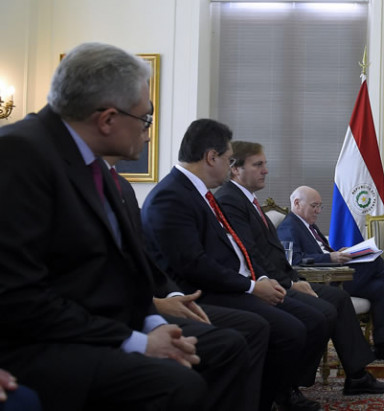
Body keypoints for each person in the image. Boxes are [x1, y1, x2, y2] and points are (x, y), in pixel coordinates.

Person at [0, 42, 229, 411]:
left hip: (90, 327)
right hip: (34, 343)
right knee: (175, 386)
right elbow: (20, 298)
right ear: (107, 119)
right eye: (145, 119)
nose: (148, 131)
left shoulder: (93, 163)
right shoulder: (20, 155)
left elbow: (123, 271)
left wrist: (153, 324)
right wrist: (136, 341)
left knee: (219, 349)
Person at [141, 119, 322, 411]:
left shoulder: (198, 193)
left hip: (230, 284)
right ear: (211, 157)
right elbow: (192, 264)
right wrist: (251, 286)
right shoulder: (171, 196)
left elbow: (231, 250)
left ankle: (267, 397)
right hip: (201, 293)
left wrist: (257, 281)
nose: (229, 167)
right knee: (287, 330)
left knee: (299, 323)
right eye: (228, 160)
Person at [214, 141, 384, 395]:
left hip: (284, 278)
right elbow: (250, 254)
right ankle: (290, 386)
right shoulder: (230, 200)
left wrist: (295, 279)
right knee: (323, 312)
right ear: (235, 169)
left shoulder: (248, 200)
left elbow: (277, 255)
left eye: (265, 164)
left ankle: (355, 376)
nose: (266, 170)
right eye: (258, 165)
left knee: (340, 299)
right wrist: (290, 283)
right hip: (264, 284)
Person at [106, 155, 271, 411]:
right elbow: (191, 263)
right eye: (144, 121)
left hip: (160, 301)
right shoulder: (170, 195)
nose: (148, 137)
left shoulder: (122, 185)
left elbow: (143, 259)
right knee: (244, 335)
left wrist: (168, 298)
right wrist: (155, 307)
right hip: (125, 313)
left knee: (259, 328)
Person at [277, 186, 384, 363]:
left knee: (380, 287)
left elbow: (316, 252)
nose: (318, 211)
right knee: (374, 261)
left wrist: (337, 252)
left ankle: (381, 345)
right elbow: (294, 259)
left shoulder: (308, 225)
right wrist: (331, 257)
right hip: (322, 283)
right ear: (297, 203)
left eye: (320, 206)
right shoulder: (289, 226)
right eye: (314, 206)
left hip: (336, 275)